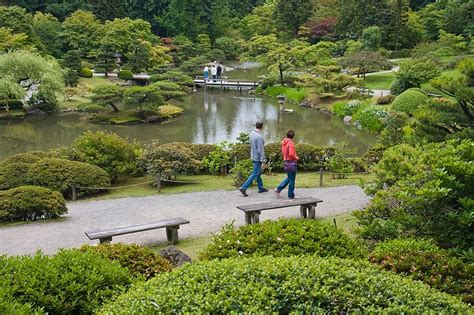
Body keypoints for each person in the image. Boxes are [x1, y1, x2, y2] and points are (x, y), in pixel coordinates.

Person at [239, 121, 268, 197]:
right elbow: (260, 150)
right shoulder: (259, 137)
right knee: (255, 173)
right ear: (262, 127)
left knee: (258, 173)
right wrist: (263, 160)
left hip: (253, 156)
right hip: (257, 158)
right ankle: (244, 187)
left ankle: (261, 188)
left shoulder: (252, 133)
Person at [275, 129, 299, 199]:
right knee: (292, 180)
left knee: (289, 178)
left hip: (286, 162)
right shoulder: (291, 143)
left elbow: (283, 152)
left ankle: (278, 189)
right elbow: (291, 153)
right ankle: (291, 195)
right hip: (291, 162)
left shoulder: (284, 143)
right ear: (293, 136)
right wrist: (297, 158)